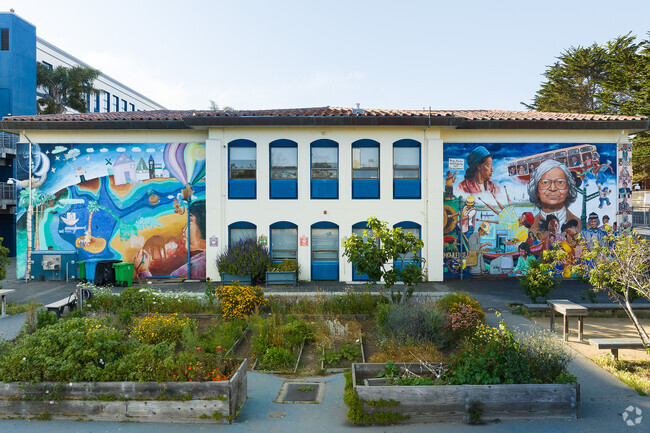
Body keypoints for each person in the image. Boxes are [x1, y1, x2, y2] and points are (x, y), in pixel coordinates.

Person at [135, 199, 207, 279]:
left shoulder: (186, 271)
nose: (184, 229)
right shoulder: (202, 260)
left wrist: (142, 270)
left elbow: (164, 291)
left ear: (204, 225)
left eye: (190, 222)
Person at [528, 159, 581, 236]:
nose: (553, 188)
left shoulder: (583, 226)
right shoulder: (529, 230)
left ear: (568, 188)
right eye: (545, 182)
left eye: (560, 182)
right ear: (536, 190)